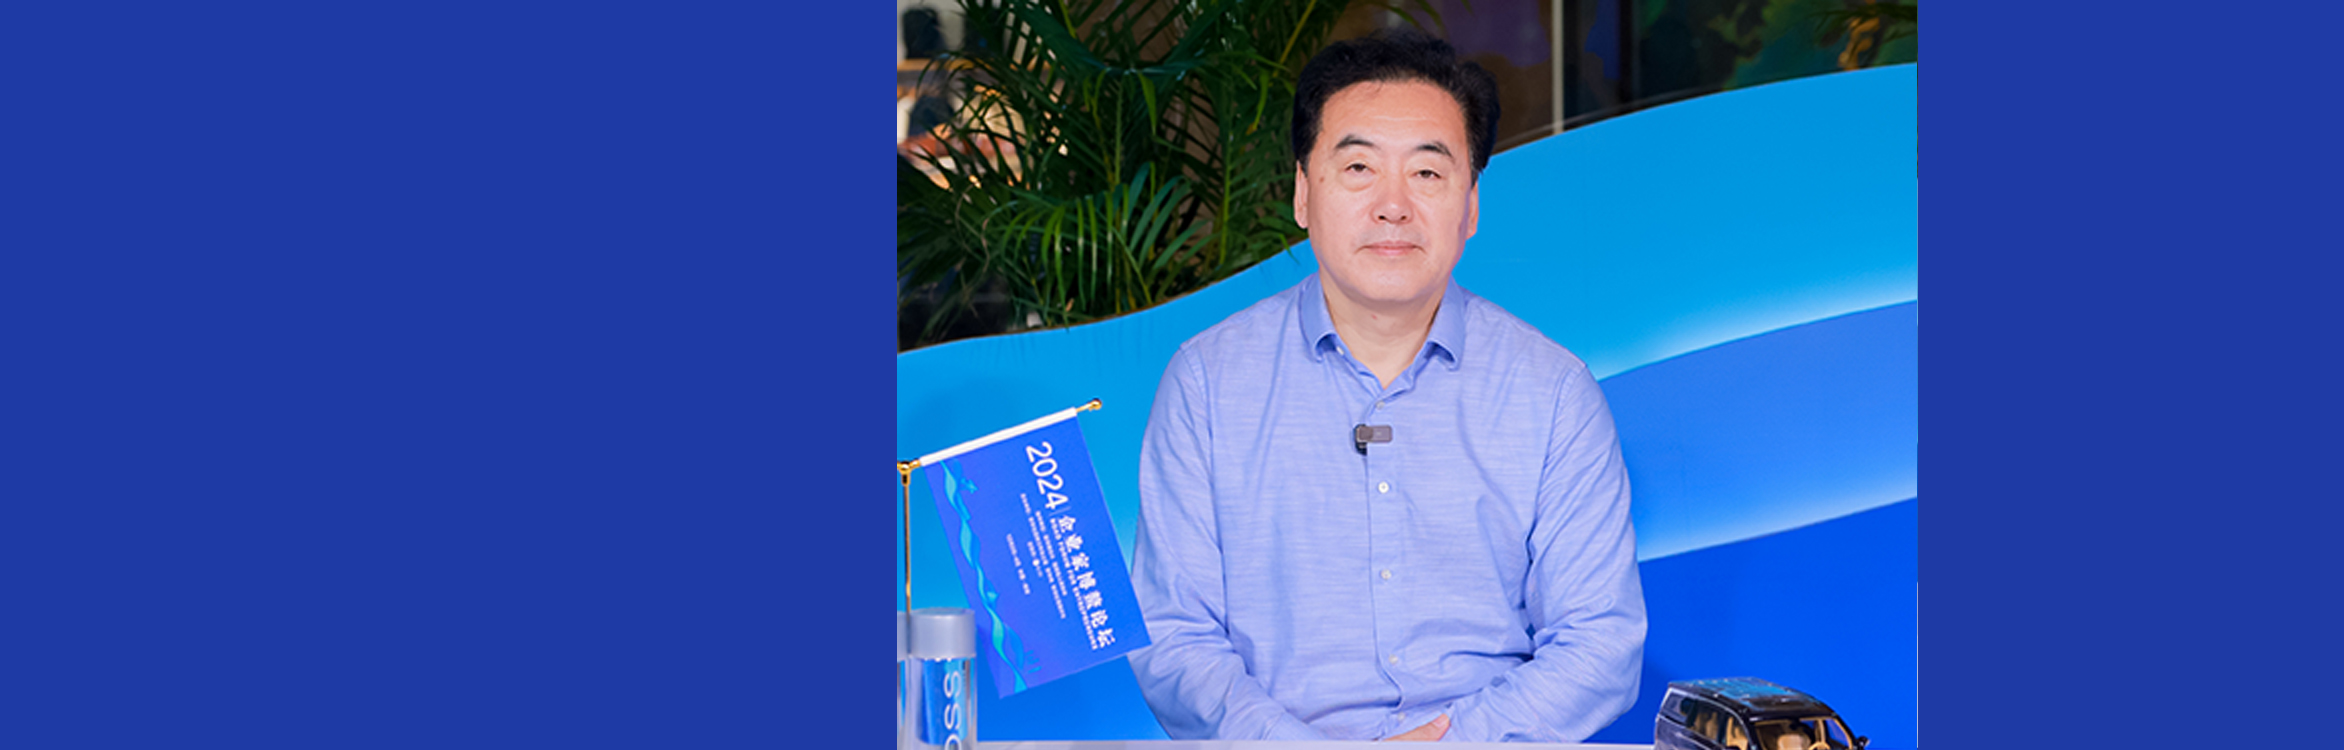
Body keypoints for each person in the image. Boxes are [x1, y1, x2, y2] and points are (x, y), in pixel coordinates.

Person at [1125, 29, 1646, 743]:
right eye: (1359, 167)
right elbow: (1174, 633)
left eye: (1427, 173)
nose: (1393, 205)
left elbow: (1600, 642)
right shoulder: (1207, 383)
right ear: (1303, 194)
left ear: (1471, 206)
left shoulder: (1552, 392)